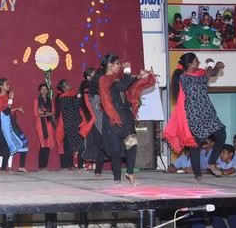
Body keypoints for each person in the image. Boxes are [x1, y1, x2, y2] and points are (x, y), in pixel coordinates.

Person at [163, 52, 226, 184]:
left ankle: (211, 163)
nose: (199, 63)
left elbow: (211, 74)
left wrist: (217, 67)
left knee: (221, 134)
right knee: (195, 144)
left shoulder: (198, 73)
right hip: (194, 115)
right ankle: (198, 175)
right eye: (196, 61)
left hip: (207, 113)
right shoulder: (184, 78)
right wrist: (210, 64)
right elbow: (204, 79)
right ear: (190, 64)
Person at [98, 53, 154, 185]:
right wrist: (128, 71)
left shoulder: (118, 78)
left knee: (132, 144)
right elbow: (121, 86)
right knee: (116, 150)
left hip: (125, 116)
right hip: (113, 118)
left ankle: (130, 172)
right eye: (117, 64)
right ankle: (117, 177)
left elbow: (127, 87)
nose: (119, 66)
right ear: (110, 65)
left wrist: (139, 77)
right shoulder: (104, 79)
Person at [80, 67, 110, 178]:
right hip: (94, 121)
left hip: (102, 119)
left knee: (103, 145)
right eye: (94, 74)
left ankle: (98, 170)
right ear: (88, 77)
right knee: (102, 145)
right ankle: (99, 170)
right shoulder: (88, 90)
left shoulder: (98, 88)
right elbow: (95, 107)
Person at [55, 79, 84, 171]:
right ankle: (70, 165)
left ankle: (80, 165)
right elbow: (75, 106)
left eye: (68, 83)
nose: (69, 85)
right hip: (69, 123)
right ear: (63, 88)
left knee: (81, 144)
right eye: (67, 84)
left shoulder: (73, 96)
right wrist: (79, 97)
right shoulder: (63, 98)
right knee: (69, 145)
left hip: (78, 122)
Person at [33, 82, 55, 171]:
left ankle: (45, 165)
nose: (44, 91)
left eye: (45, 89)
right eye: (42, 89)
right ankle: (40, 166)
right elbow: (36, 114)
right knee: (42, 144)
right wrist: (46, 113)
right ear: (39, 91)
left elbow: (53, 112)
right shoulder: (36, 101)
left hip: (48, 124)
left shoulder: (50, 101)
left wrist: (43, 112)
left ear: (48, 91)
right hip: (40, 124)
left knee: (48, 145)